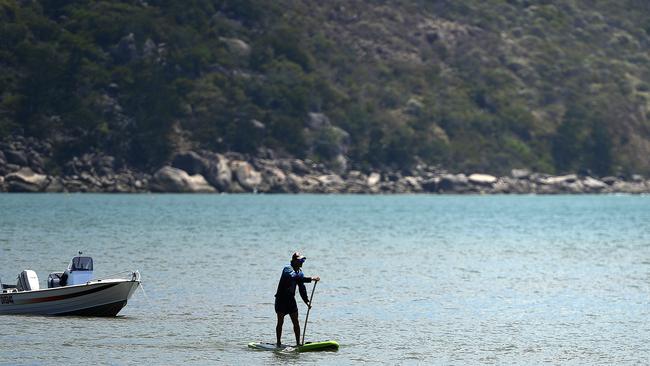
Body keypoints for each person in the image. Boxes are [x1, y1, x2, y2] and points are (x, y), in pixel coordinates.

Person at [275, 252, 320, 346]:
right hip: (281, 299)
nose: (302, 262)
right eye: (300, 261)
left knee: (296, 322)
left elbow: (302, 289)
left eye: (303, 260)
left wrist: (307, 301)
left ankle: (298, 344)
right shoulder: (287, 269)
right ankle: (278, 343)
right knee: (280, 322)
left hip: (291, 300)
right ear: (294, 261)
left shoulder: (300, 272)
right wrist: (311, 278)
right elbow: (294, 277)